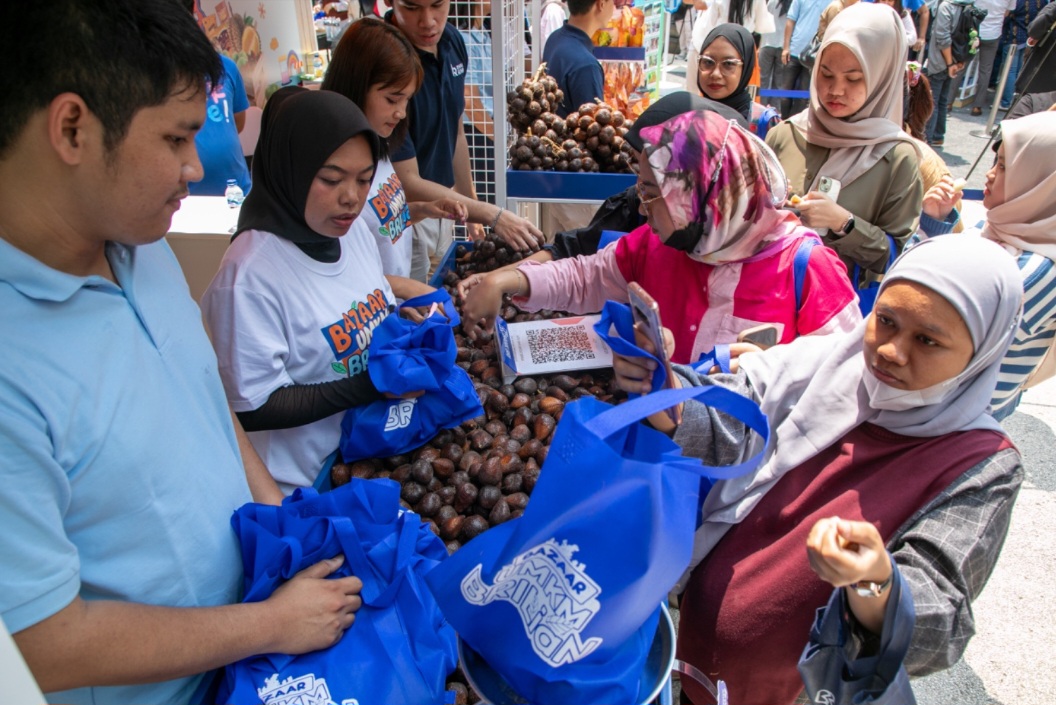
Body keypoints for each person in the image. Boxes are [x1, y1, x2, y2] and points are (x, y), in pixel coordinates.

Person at [0, 3, 366, 704]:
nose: (196, 166)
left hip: (259, 651)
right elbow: (42, 640)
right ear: (72, 127)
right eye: (176, 138)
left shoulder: (143, 246)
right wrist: (265, 624)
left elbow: (209, 402)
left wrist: (279, 517)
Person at [613, 235, 1024, 705]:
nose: (891, 351)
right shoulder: (823, 365)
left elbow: (941, 611)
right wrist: (664, 389)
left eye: (927, 340)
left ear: (982, 355)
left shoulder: (980, 464)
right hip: (694, 662)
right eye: (885, 321)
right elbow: (729, 419)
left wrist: (875, 582)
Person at [460, 109, 861, 362]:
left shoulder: (808, 271)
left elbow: (842, 384)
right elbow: (584, 277)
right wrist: (507, 280)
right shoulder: (657, 245)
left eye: (653, 194)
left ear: (700, 197)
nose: (640, 207)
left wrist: (765, 376)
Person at [202, 88, 434, 494]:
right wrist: (370, 385)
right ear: (290, 169)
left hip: (360, 455)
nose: (351, 198)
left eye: (364, 180)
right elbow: (254, 405)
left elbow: (363, 303)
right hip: (299, 489)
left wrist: (398, 321)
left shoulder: (354, 232)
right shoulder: (249, 278)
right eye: (331, 179)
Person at [767, 2, 923, 288]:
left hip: (839, 315)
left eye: (853, 78)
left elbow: (897, 257)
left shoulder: (898, 157)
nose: (835, 90)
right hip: (768, 296)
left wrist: (845, 224)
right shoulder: (786, 134)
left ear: (882, 76)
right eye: (825, 74)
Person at [387, 0, 543, 281]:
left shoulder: (452, 42)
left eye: (437, 5)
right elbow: (406, 183)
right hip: (403, 216)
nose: (428, 21)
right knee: (414, 305)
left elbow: (456, 131)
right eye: (411, 7)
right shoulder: (384, 58)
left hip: (444, 205)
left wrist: (469, 205)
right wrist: (491, 214)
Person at [916, 111, 1056, 418]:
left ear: (1041, 183)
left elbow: (930, 316)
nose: (990, 174)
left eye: (1005, 167)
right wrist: (935, 222)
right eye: (996, 162)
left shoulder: (1039, 272)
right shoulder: (992, 229)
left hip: (959, 424)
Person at [322, 17, 467, 279]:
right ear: (357, 84)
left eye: (407, 100)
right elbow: (345, 271)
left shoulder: (380, 143)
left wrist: (423, 208)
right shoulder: (334, 167)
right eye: (392, 99)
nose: (401, 113)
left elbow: (380, 225)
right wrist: (409, 291)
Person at [542, 0, 613, 117]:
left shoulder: (554, 38)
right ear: (601, 4)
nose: (614, 7)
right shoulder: (586, 66)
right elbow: (594, 129)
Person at [923, 0, 974, 146]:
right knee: (942, 100)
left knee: (932, 100)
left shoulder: (947, 6)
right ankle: (938, 135)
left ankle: (928, 137)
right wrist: (958, 61)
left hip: (941, 61)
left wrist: (950, 62)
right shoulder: (968, 5)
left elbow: (942, 37)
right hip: (955, 59)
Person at [693, 24, 759, 122]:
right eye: (708, 62)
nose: (715, 74)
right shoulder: (685, 117)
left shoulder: (761, 123)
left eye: (728, 64)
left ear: (745, 68)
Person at [779, 0, 830, 118]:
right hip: (794, 51)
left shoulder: (832, 2)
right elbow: (790, 21)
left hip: (812, 55)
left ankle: (794, 123)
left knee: (803, 96)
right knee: (784, 93)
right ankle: (784, 120)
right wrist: (786, 47)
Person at [965, 0, 1017, 115]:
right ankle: (977, 107)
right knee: (985, 70)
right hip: (993, 33)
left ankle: (948, 102)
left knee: (963, 64)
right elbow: (1007, 12)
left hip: (974, 29)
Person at [999, 0, 1051, 110]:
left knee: (1010, 71)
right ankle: (1012, 98)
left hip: (1014, 37)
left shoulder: (1018, 2)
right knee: (1018, 70)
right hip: (1026, 38)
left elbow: (1007, 16)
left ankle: (1006, 102)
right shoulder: (1041, 2)